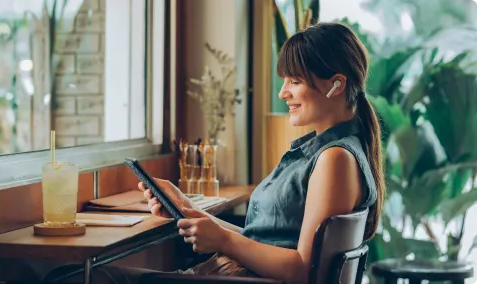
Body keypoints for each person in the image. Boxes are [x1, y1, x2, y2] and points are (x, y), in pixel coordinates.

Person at [91, 21, 385, 284]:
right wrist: (183, 207)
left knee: (93, 274)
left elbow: (303, 269)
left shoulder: (335, 160)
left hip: (242, 277)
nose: (283, 93)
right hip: (239, 273)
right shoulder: (328, 154)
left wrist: (224, 242)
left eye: (295, 81)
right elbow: (260, 240)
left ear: (336, 84)